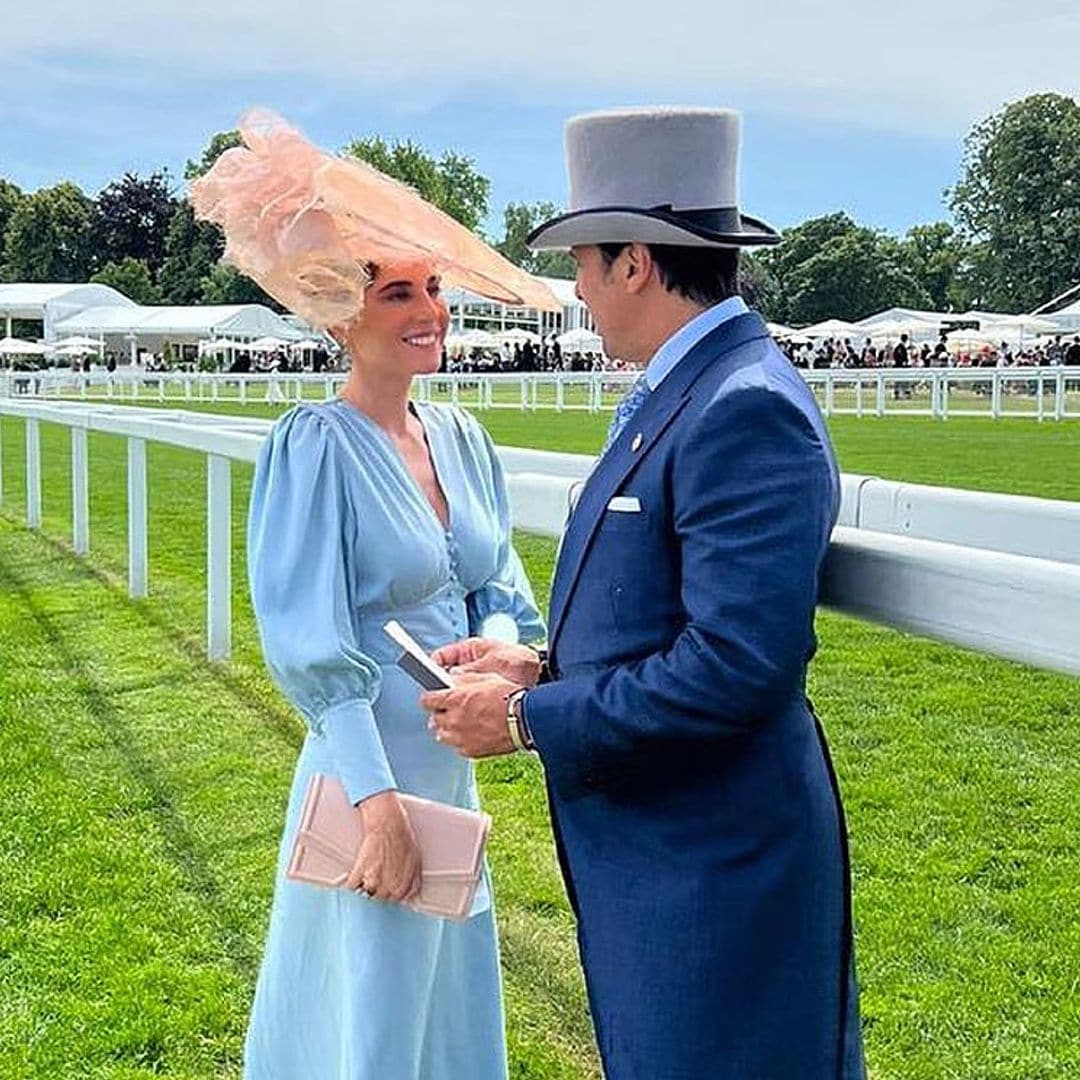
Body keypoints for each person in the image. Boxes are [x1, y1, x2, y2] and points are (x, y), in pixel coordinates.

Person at [425, 107, 865, 1079]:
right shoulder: (691, 388)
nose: (577, 288)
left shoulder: (742, 406)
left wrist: (531, 716)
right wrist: (546, 664)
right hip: (669, 864)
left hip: (713, 876)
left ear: (636, 261)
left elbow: (734, 670)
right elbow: (667, 614)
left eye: (584, 260)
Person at [191, 110, 554, 1080]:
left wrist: (502, 655)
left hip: (451, 761)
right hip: (368, 770)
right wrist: (377, 804)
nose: (430, 309)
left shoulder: (465, 439)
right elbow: (307, 642)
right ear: (343, 315)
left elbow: (501, 586)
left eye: (434, 287)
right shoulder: (313, 447)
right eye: (399, 292)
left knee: (444, 1003)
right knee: (367, 1005)